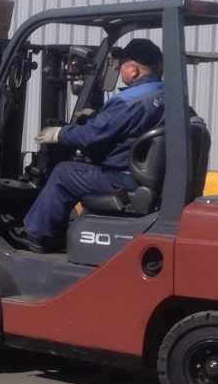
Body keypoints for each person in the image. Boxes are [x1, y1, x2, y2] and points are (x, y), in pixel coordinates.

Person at [9, 38, 166, 253]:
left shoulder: (129, 101)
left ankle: (36, 234)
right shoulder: (166, 95)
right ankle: (60, 230)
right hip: (147, 176)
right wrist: (98, 117)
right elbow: (124, 127)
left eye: (121, 66)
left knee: (64, 173)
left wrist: (59, 133)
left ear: (133, 70)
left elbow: (91, 136)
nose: (119, 70)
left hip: (124, 178)